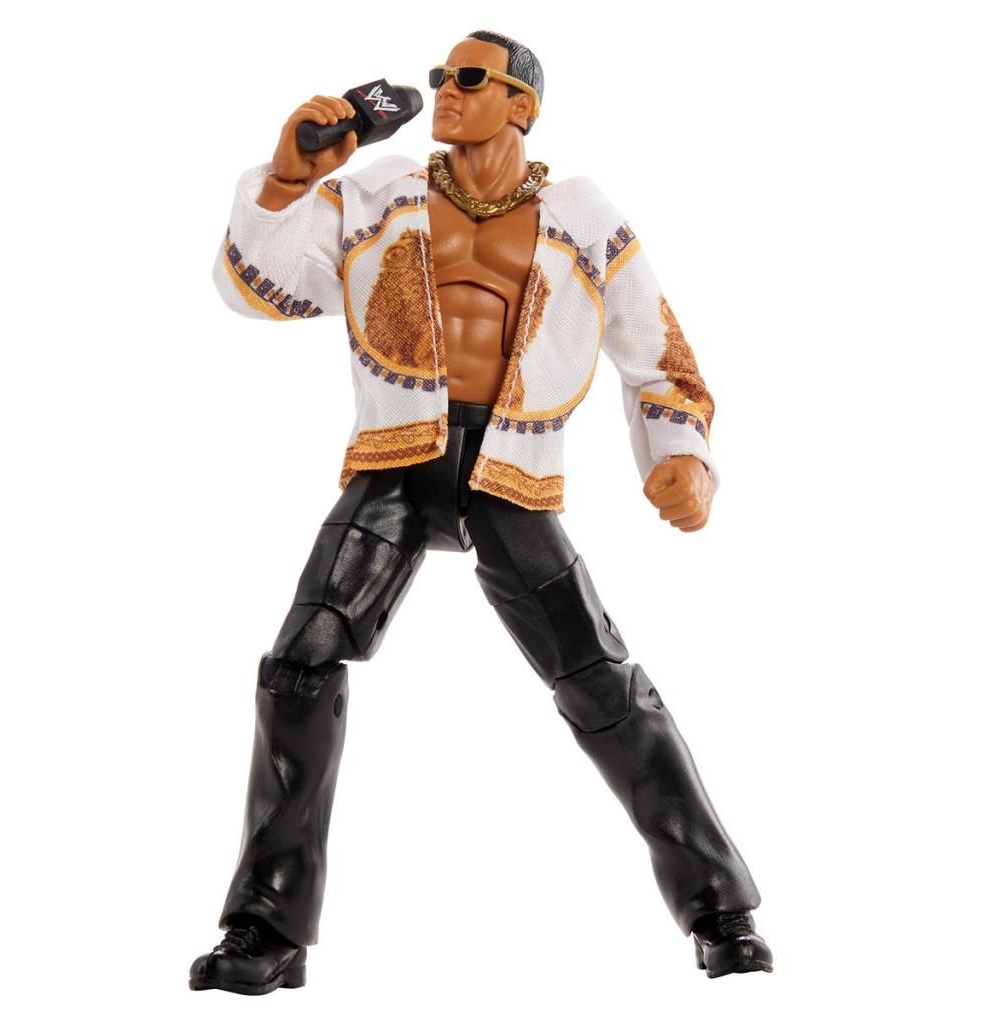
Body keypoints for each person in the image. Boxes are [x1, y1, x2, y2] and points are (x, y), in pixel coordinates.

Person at [189, 29, 772, 996]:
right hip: (399, 455)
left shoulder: (582, 215)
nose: (444, 91)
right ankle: (269, 924)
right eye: (438, 78)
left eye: (468, 78)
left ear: (521, 105)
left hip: (511, 468)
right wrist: (290, 180)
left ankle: (722, 907)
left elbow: (657, 351)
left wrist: (684, 458)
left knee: (601, 681)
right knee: (298, 664)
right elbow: (257, 289)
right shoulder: (378, 194)